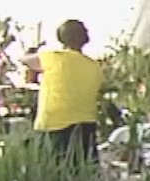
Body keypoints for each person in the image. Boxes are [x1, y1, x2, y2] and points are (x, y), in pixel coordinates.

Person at [23, 19, 103, 159]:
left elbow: (25, 60)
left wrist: (33, 48)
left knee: (55, 177)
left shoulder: (54, 58)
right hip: (86, 127)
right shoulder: (94, 66)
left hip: (55, 126)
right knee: (84, 175)